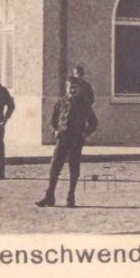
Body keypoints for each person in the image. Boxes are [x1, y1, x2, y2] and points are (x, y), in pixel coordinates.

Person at [37, 78, 98, 208]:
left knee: (74, 168)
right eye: (70, 87)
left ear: (79, 89)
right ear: (66, 88)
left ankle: (71, 197)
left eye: (75, 88)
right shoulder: (60, 103)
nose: (72, 90)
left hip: (76, 139)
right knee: (55, 167)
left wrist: (84, 133)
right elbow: (53, 120)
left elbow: (93, 122)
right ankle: (50, 196)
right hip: (62, 138)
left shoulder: (84, 105)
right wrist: (55, 131)